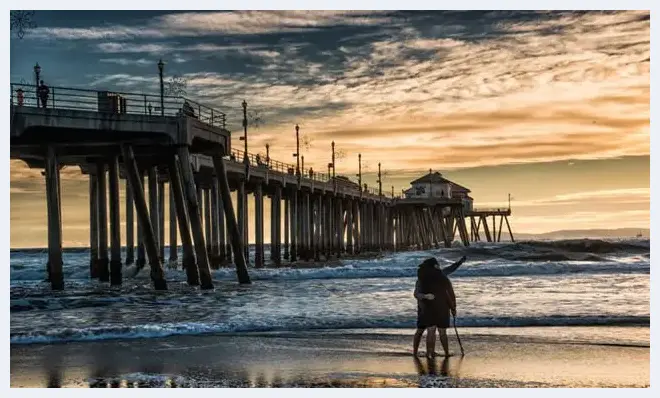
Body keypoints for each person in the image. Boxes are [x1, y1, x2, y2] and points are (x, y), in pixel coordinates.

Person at [412, 256, 465, 357]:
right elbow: (416, 294)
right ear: (435, 266)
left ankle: (431, 352)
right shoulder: (422, 279)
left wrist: (459, 262)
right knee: (421, 330)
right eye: (438, 265)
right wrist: (425, 296)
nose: (439, 266)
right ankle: (416, 352)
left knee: (431, 330)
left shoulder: (439, 275)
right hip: (423, 307)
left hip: (433, 308)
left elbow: (450, 269)